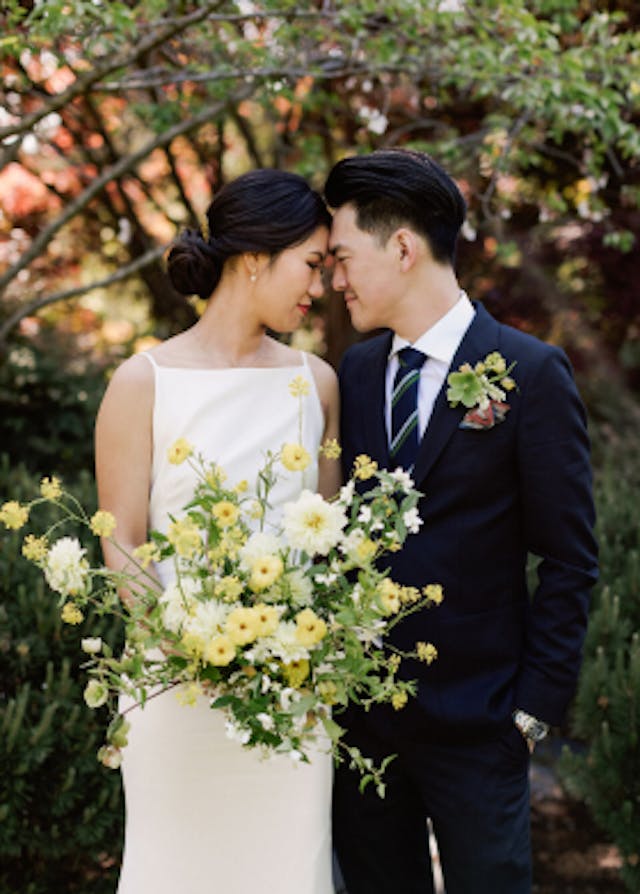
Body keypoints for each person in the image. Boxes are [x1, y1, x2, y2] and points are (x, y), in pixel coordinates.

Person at [325, 149, 598, 894]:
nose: (336, 278)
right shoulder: (351, 371)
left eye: (345, 257)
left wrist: (532, 716)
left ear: (404, 248)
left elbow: (570, 559)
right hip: (365, 723)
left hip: (482, 728)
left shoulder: (531, 372)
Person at [94, 169, 339, 894]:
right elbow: (122, 537)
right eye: (312, 265)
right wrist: (189, 645)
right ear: (257, 256)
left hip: (292, 692)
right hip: (175, 692)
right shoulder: (142, 382)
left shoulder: (316, 382)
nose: (319, 287)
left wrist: (288, 647)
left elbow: (323, 545)